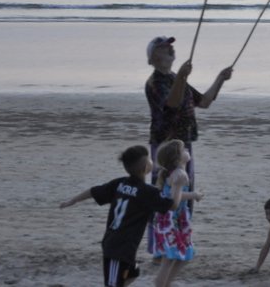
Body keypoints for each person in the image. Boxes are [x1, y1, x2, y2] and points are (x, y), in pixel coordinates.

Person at [145, 36, 232, 251]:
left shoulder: (175, 77)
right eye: (165, 47)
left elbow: (204, 102)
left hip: (184, 145)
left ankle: (180, 241)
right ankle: (158, 246)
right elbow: (172, 105)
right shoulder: (154, 82)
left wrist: (220, 78)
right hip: (164, 146)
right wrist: (182, 77)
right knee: (163, 194)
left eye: (171, 47)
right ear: (155, 56)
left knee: (184, 191)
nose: (171, 49)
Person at [60, 145, 187, 287]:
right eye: (150, 159)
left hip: (122, 246)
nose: (152, 161)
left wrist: (73, 200)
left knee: (134, 272)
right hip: (118, 249)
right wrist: (178, 185)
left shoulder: (119, 183)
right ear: (145, 168)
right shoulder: (147, 192)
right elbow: (173, 205)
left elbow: (93, 191)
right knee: (113, 284)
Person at [151, 139, 204, 287]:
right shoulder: (180, 175)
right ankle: (161, 284)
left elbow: (174, 194)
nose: (187, 149)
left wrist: (193, 194)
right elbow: (174, 202)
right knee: (169, 259)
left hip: (171, 220)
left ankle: (166, 283)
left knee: (183, 256)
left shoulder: (173, 173)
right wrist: (194, 195)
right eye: (183, 149)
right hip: (172, 221)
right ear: (177, 158)